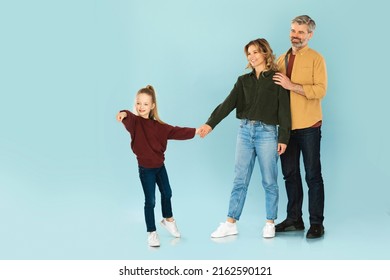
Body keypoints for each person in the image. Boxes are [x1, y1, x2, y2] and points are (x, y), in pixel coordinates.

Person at [199, 38, 291, 239]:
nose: (252, 56)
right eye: (249, 53)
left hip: (267, 134)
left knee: (269, 180)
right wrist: (210, 123)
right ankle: (231, 222)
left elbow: (285, 111)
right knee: (240, 179)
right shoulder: (243, 81)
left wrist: (283, 137)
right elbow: (228, 103)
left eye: (256, 52)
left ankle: (270, 222)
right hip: (245, 132)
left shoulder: (277, 79)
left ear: (265, 53)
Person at [116, 85, 199, 247]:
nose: (141, 107)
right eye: (138, 103)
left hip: (160, 167)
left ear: (152, 106)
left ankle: (168, 220)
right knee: (151, 200)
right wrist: (123, 113)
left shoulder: (160, 127)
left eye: (145, 104)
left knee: (167, 192)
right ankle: (152, 232)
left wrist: (196, 131)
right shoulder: (135, 123)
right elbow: (128, 116)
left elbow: (177, 131)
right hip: (146, 170)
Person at [273, 15, 327, 239]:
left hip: (309, 126)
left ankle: (317, 223)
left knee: (313, 176)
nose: (296, 35)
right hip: (286, 129)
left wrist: (291, 85)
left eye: (301, 32)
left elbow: (320, 90)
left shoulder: (316, 59)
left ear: (310, 35)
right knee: (289, 174)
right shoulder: (281, 58)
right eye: (293, 31)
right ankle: (294, 219)